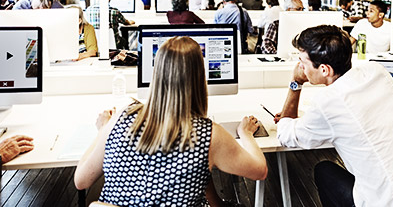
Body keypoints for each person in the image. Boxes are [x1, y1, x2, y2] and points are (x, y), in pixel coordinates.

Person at [74, 36, 267, 206]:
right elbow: (260, 171)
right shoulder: (210, 135)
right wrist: (246, 133)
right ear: (200, 77)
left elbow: (81, 180)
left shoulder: (120, 118)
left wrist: (103, 130)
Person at [274, 25, 393, 206]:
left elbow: (285, 136)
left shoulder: (327, 102)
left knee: (324, 170)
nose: (300, 66)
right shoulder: (377, 72)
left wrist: (296, 82)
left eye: (302, 61)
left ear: (324, 70)